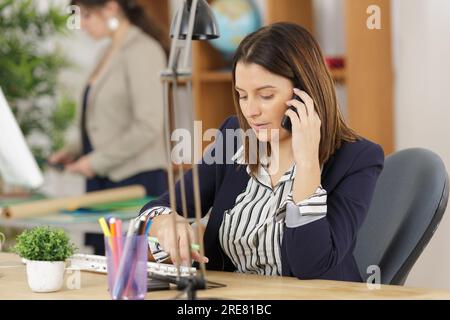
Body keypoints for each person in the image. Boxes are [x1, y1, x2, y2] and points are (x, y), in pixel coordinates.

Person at [138, 22, 384, 281]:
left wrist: (308, 164)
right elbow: (160, 207)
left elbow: (311, 266)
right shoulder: (236, 137)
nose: (251, 111)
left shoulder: (358, 159)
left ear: (306, 93)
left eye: (265, 95)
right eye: (242, 95)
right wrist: (164, 221)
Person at [49, 0, 169, 254]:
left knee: (131, 271)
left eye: (87, 15)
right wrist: (73, 150)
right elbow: (100, 118)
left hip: (134, 180)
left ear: (112, 8)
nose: (81, 24)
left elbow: (148, 125)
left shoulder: (143, 50)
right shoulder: (106, 52)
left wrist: (95, 162)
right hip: (103, 180)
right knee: (104, 269)